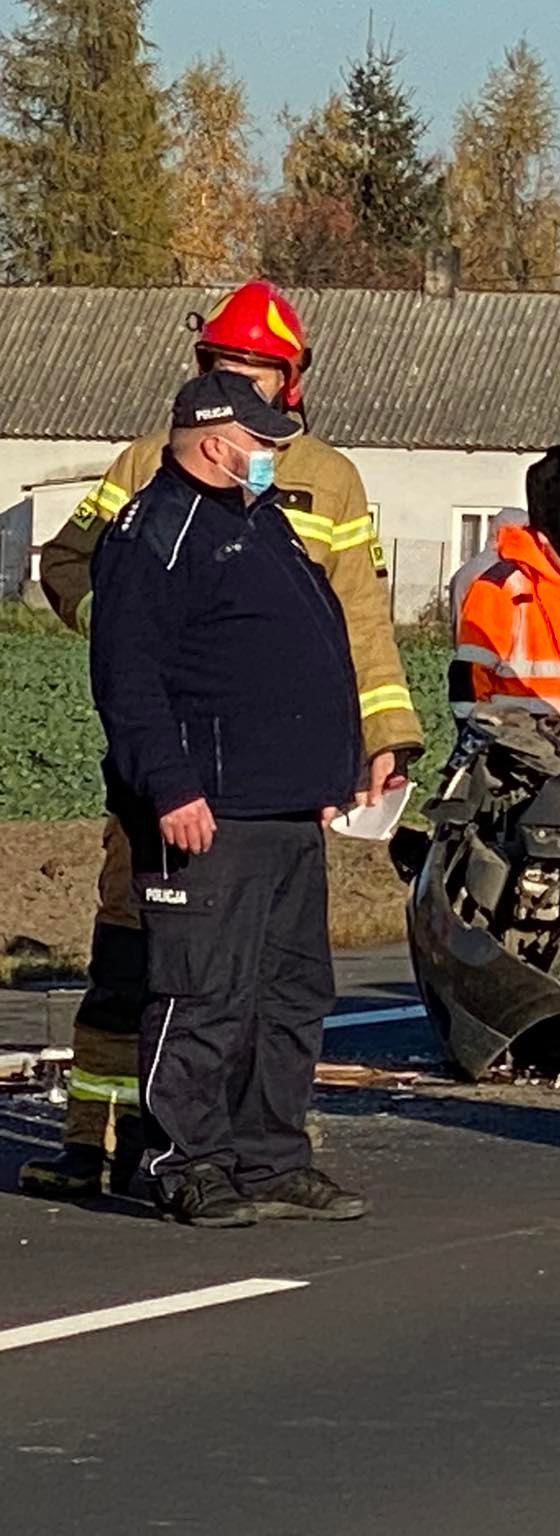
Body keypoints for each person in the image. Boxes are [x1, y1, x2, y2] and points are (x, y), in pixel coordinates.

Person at [23, 281, 421, 1200]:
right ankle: (102, 1140)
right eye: (225, 370)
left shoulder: (328, 479)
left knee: (275, 981)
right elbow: (76, 573)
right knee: (149, 958)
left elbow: (358, 620)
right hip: (183, 773)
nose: (244, 386)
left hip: (279, 779)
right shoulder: (145, 471)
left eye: (257, 372)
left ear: (293, 380)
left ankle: (255, 1150)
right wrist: (145, 642)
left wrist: (381, 736)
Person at [90, 371, 367, 1228]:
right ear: (216, 443)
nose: (273, 457)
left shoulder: (262, 523)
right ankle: (192, 1163)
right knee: (200, 995)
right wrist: (171, 786)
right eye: (262, 444)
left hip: (286, 811)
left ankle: (271, 1157)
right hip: (210, 812)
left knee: (287, 996)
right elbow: (127, 675)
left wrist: (333, 772)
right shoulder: (154, 535)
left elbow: (317, 644)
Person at [451, 509, 560, 725]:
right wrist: (481, 730)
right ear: (544, 537)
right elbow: (469, 675)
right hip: (525, 740)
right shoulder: (500, 586)